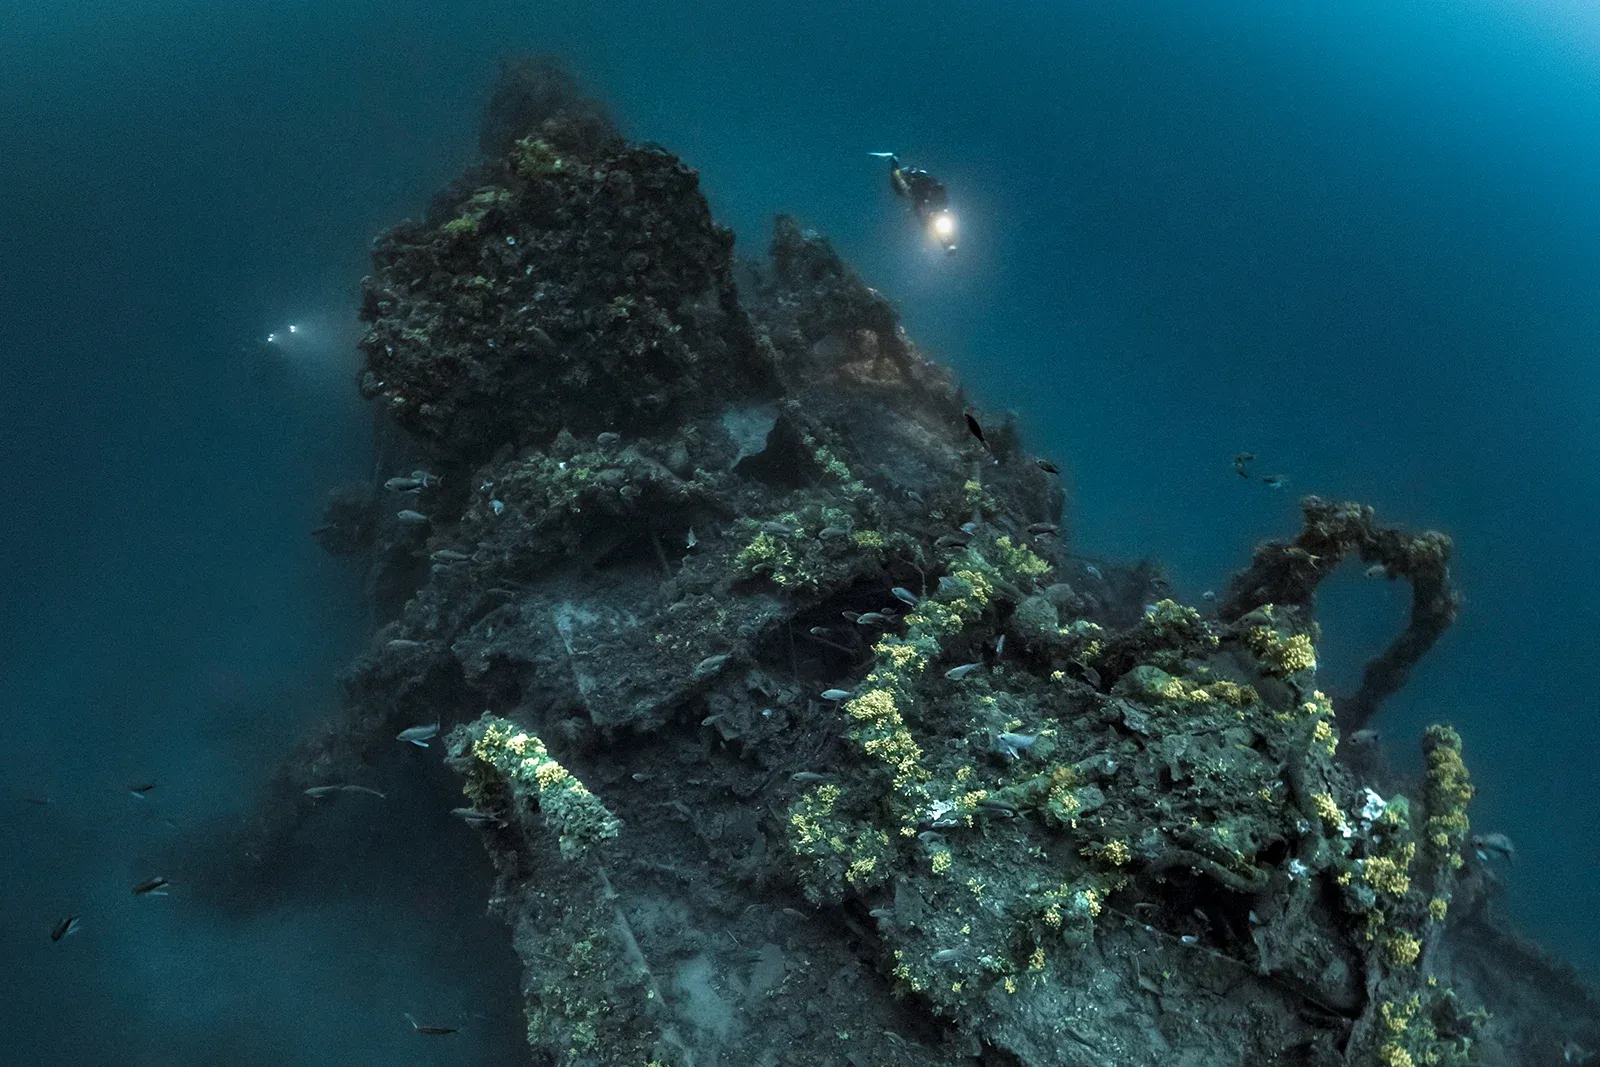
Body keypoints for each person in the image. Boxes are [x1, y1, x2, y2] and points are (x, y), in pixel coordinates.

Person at [870, 152, 958, 252]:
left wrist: (936, 213)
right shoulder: (920, 188)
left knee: (941, 226)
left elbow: (940, 201)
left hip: (930, 203)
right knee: (898, 183)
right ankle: (893, 160)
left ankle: (948, 245)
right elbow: (919, 207)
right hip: (917, 192)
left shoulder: (935, 191)